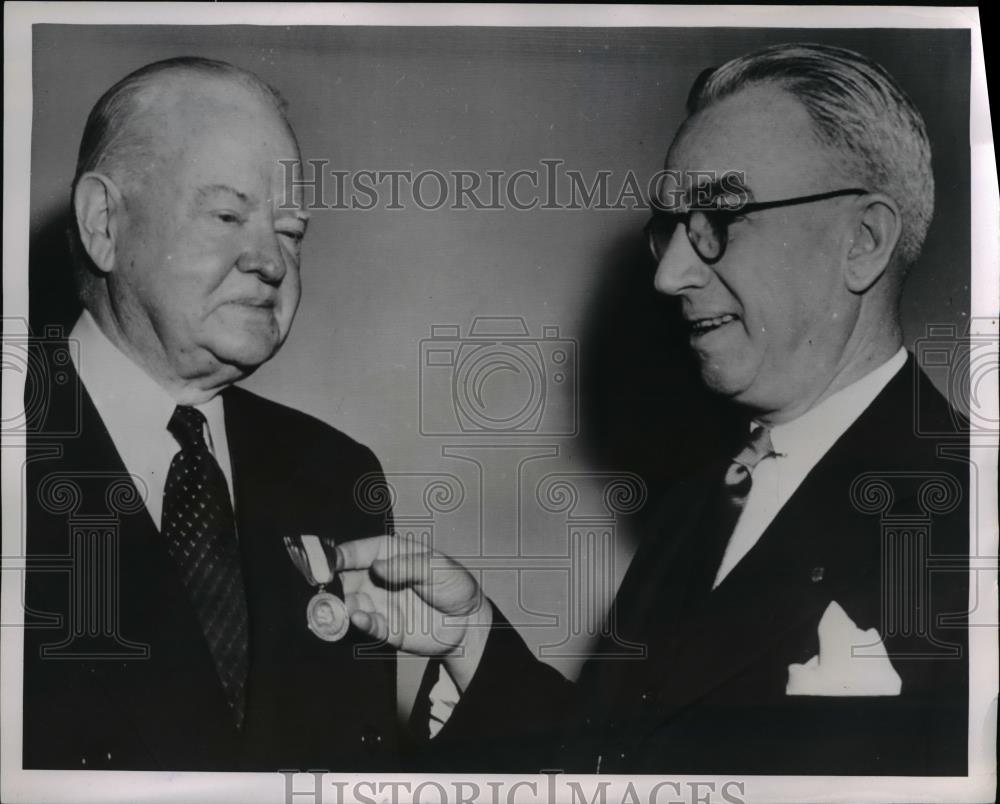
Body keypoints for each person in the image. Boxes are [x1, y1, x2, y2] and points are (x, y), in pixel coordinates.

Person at [336, 43, 970, 775]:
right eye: (670, 228)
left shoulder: (967, 522)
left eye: (719, 218)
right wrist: (474, 642)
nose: (670, 274)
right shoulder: (698, 506)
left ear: (863, 242)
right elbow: (629, 760)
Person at [23, 57, 403, 771]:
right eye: (228, 215)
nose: (270, 261)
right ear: (104, 223)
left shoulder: (338, 477)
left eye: (290, 230)